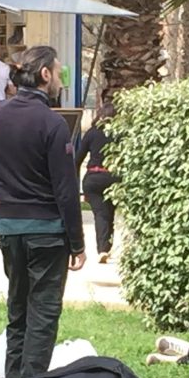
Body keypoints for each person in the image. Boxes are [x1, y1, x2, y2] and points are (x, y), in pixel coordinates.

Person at [0, 46, 86, 378]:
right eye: (57, 72)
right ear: (45, 74)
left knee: (17, 310)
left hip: (10, 228)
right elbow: (66, 189)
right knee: (43, 313)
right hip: (47, 231)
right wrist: (77, 242)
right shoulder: (53, 124)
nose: (59, 79)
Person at [76, 103, 120, 263]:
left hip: (93, 178)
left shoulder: (92, 133)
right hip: (112, 176)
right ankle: (106, 247)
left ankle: (102, 249)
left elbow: (78, 159)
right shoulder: (119, 133)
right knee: (110, 213)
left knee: (100, 214)